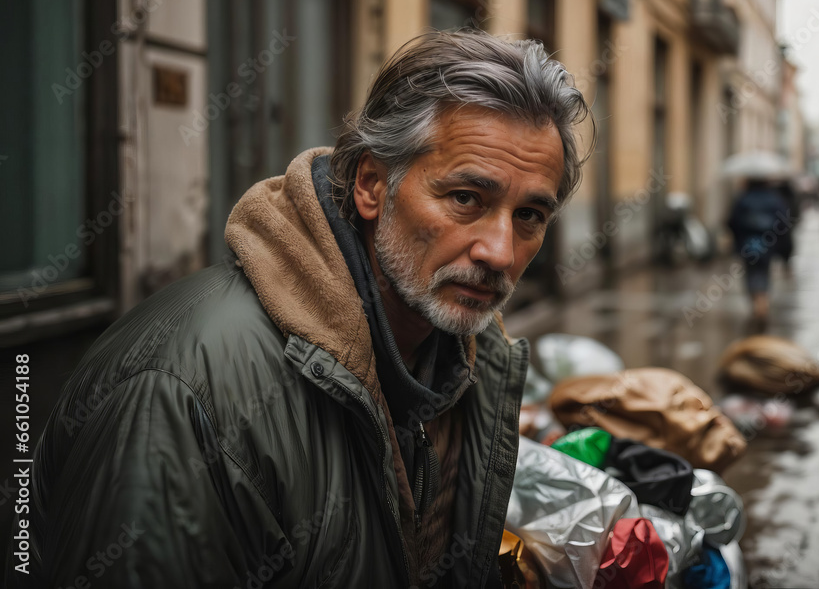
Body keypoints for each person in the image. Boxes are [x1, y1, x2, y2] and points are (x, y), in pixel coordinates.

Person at [6, 29, 592, 588]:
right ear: (371, 185)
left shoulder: (463, 355)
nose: (500, 251)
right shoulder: (181, 393)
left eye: (530, 216)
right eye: (466, 198)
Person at [727, 178, 790, 327]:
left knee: (751, 274)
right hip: (767, 245)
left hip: (748, 245)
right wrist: (784, 251)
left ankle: (757, 303)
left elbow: (732, 222)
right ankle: (762, 303)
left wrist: (738, 241)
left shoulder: (743, 199)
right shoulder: (775, 199)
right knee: (764, 273)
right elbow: (783, 224)